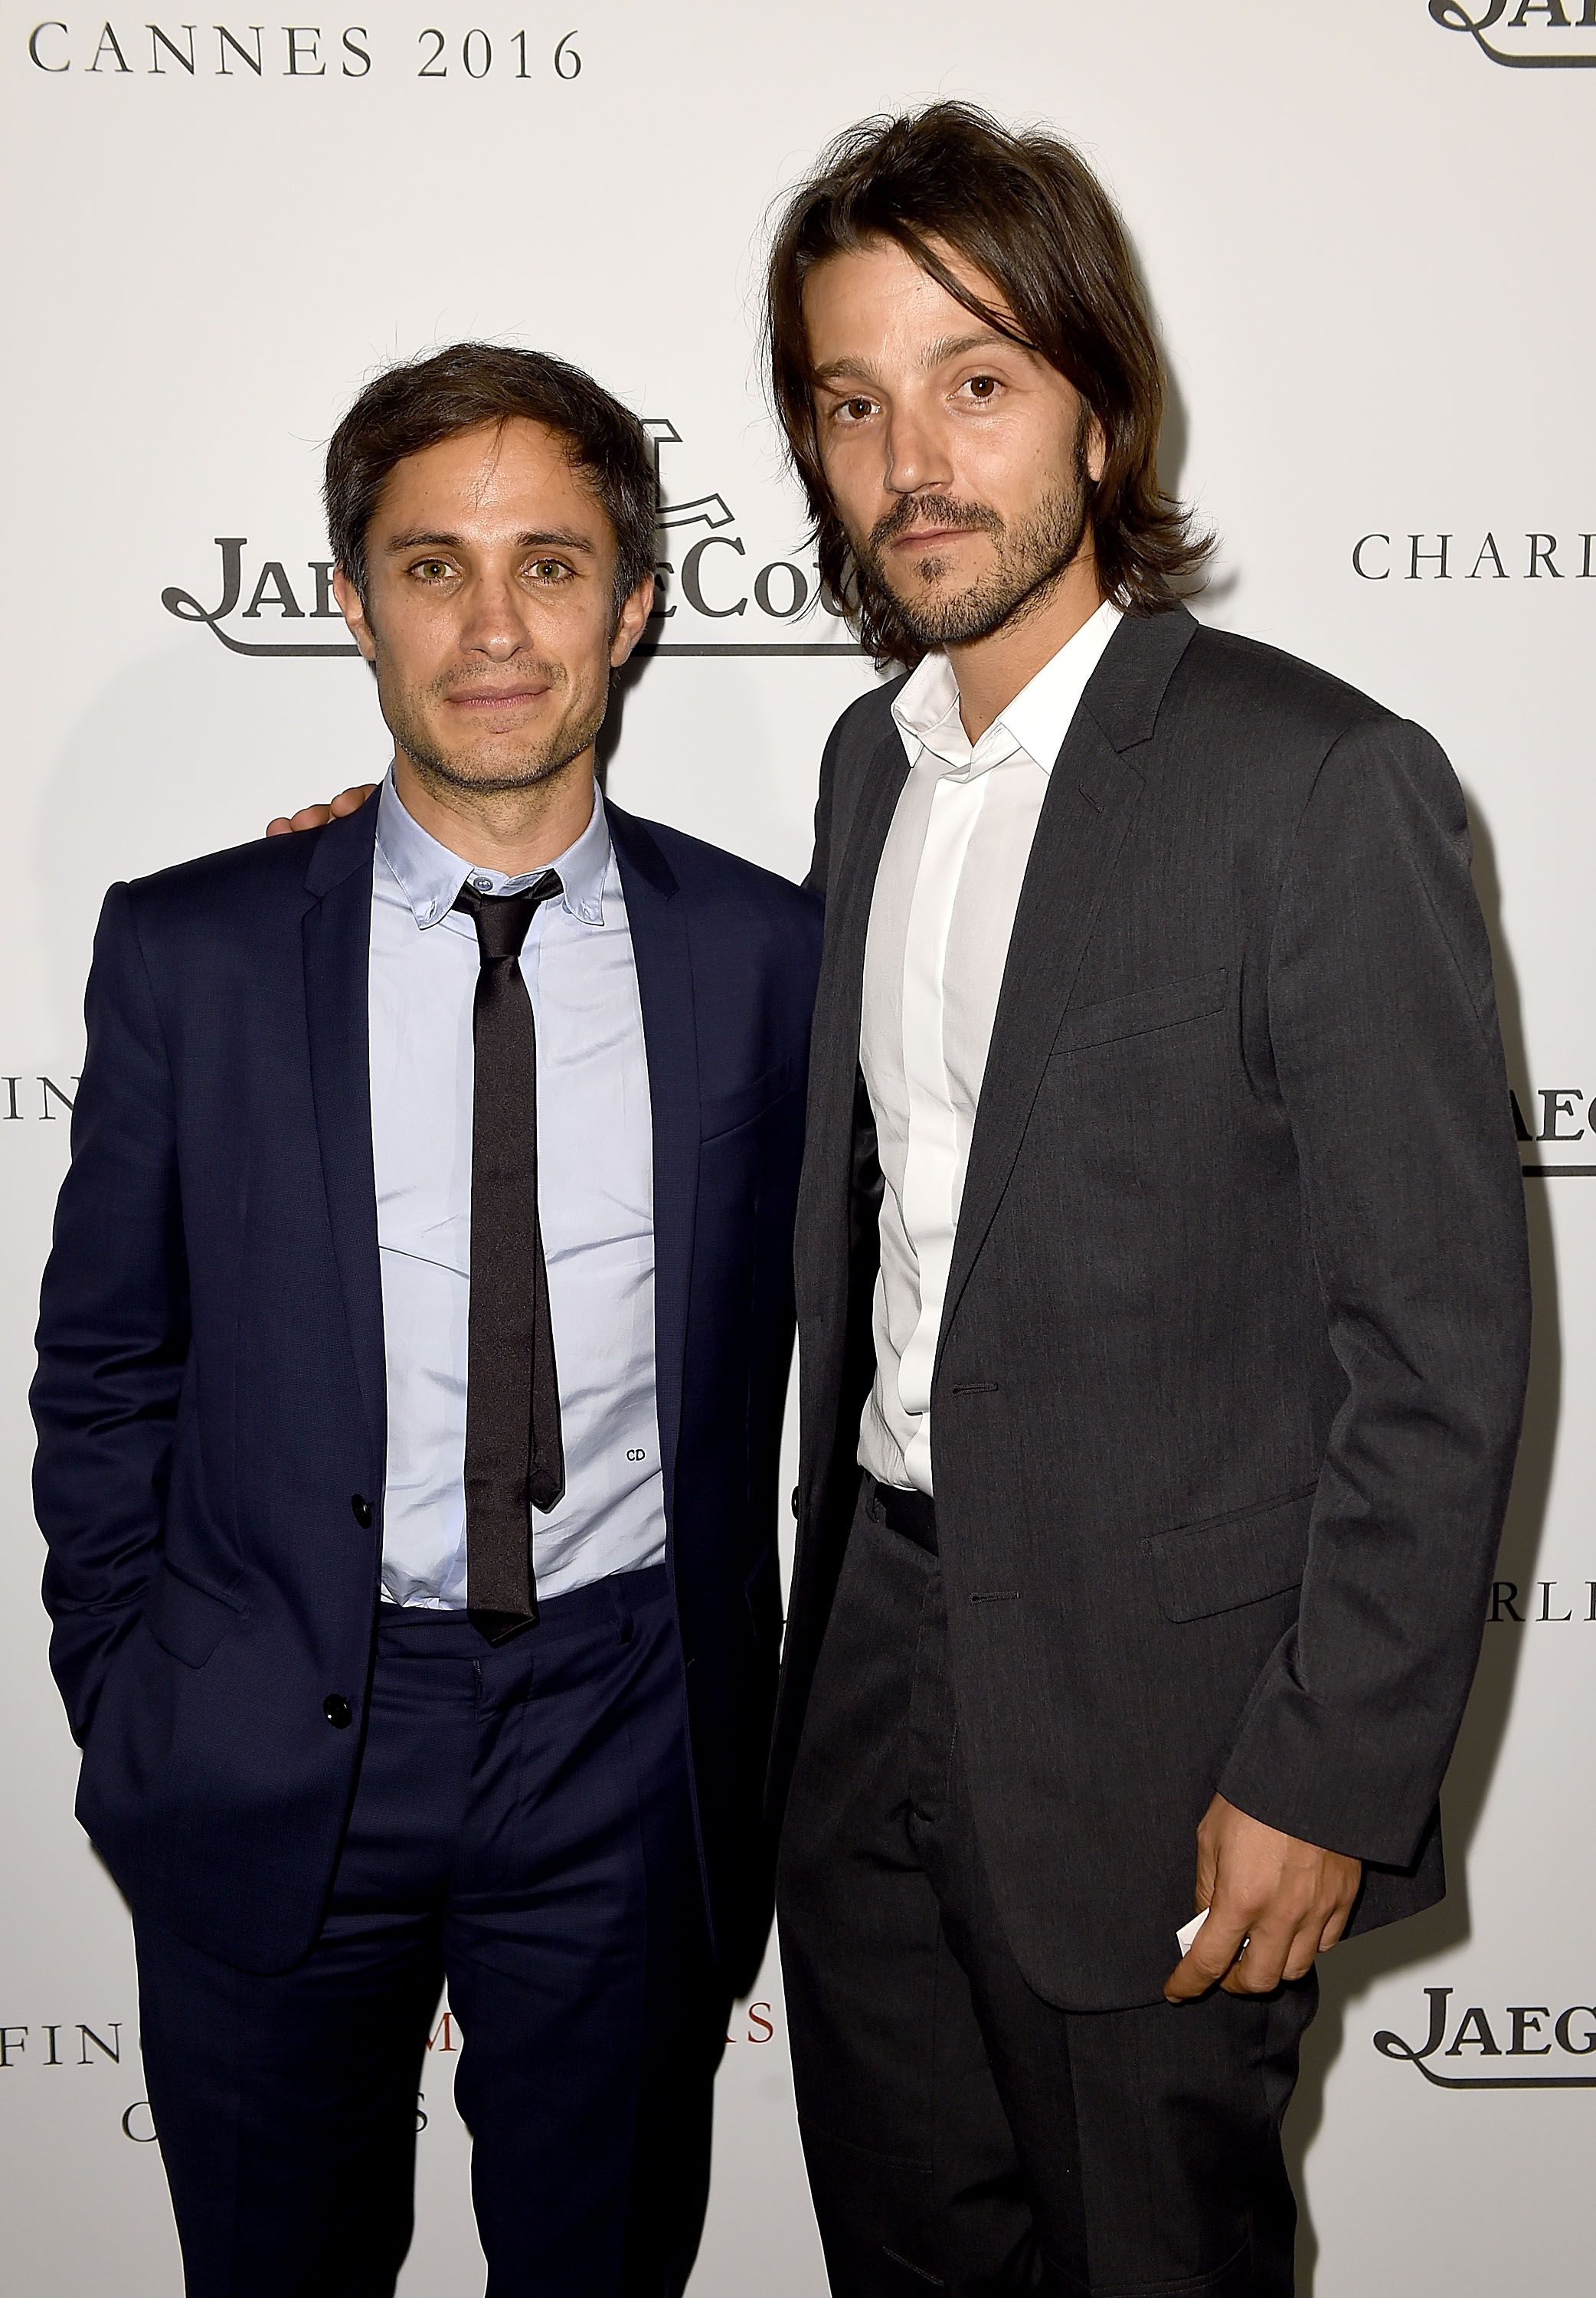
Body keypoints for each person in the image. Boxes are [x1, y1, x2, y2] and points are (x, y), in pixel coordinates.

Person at [759, 104, 1532, 2295]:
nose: (909, 457)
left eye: (973, 380)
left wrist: (1321, 1767)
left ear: (1102, 409)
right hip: (866, 1690)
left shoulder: (1312, 782)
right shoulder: (857, 770)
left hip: (1169, 1743)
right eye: (849, 401)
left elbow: (1440, 1342)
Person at [32, 341, 820, 2298]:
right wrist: (137, 1694)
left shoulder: (773, 952)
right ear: (349, 602)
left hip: (631, 1742)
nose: (491, 626)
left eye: (550, 566)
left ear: (634, 608)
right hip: (275, 1728)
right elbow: (108, 1363)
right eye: (430, 565)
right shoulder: (191, 948)